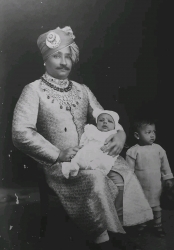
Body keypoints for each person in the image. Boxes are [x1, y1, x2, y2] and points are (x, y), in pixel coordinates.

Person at [12, 26, 153, 249]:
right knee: (96, 180)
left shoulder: (82, 89)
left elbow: (104, 116)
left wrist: (121, 132)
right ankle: (100, 236)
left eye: (68, 56)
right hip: (61, 165)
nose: (63, 61)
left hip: (92, 155)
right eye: (56, 55)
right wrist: (57, 154)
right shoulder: (33, 90)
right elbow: (21, 132)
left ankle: (117, 227)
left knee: (123, 170)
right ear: (45, 60)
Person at [126, 118, 174, 237]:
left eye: (154, 132)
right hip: (140, 187)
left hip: (156, 186)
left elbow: (165, 166)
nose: (152, 135)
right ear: (137, 135)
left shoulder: (158, 149)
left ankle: (158, 226)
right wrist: (129, 184)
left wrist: (167, 178)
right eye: (148, 132)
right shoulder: (133, 151)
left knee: (156, 207)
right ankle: (142, 225)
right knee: (142, 207)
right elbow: (129, 171)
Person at [62, 109, 121, 178]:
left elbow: (115, 146)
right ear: (96, 123)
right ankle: (74, 167)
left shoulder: (113, 134)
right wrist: (82, 146)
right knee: (80, 156)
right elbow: (84, 139)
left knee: (104, 162)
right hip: (90, 149)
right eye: (101, 120)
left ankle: (86, 168)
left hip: (103, 152)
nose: (105, 122)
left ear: (115, 126)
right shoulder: (92, 130)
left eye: (110, 121)